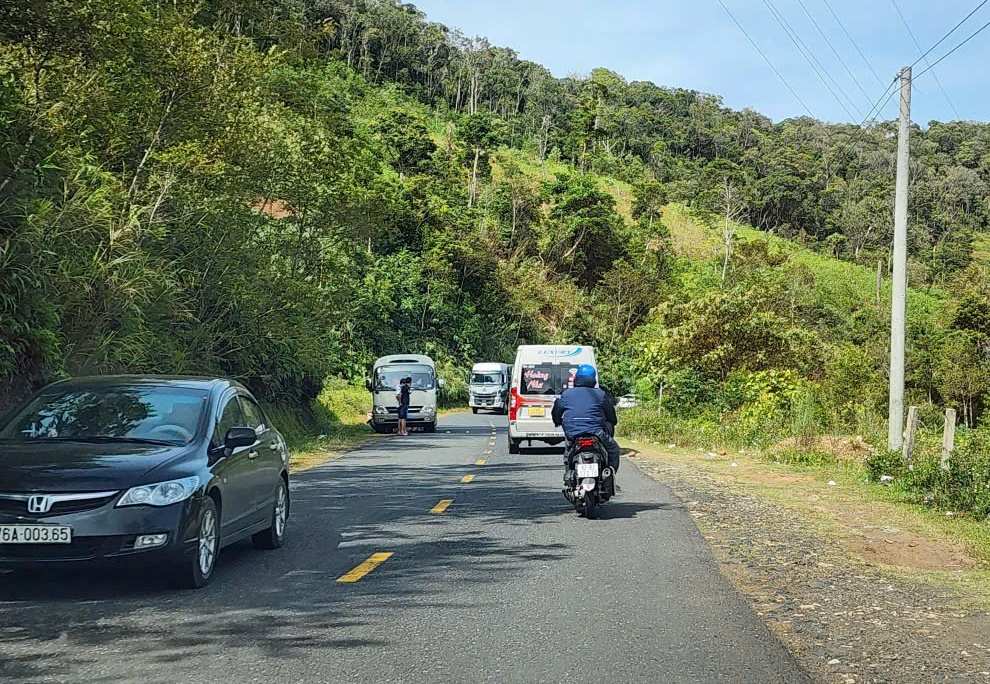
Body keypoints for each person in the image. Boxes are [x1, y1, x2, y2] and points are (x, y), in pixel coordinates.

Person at [551, 364, 620, 486]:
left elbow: (557, 412)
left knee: (568, 453)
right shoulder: (600, 394)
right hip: (597, 433)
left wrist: (558, 421)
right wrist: (610, 423)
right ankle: (609, 473)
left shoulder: (567, 394)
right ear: (593, 379)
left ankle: (569, 475)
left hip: (573, 434)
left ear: (576, 378)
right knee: (613, 449)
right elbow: (611, 417)